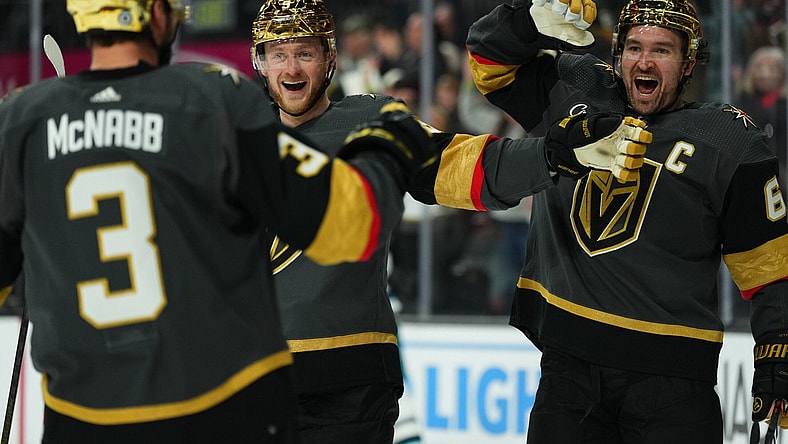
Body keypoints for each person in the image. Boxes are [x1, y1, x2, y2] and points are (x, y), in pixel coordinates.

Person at [0, 0, 441, 442]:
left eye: (304, 52)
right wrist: (386, 150)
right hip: (194, 401)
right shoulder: (204, 103)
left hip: (75, 414)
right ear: (156, 16)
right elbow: (348, 223)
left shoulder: (22, 119)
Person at [249, 0, 651, 442]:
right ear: (260, 63)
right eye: (278, 54)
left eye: (304, 53)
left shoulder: (371, 123)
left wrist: (553, 154)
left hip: (348, 386)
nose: (291, 68)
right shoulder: (226, 141)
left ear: (329, 58)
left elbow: (462, 165)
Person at [466, 0, 788, 442]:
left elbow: (771, 268)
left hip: (673, 386)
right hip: (568, 378)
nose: (644, 60)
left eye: (662, 50)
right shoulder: (573, 91)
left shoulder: (730, 141)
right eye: (634, 47)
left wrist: (776, 354)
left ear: (688, 63)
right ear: (617, 56)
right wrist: (527, 19)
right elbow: (487, 61)